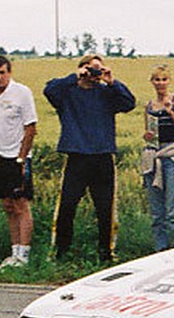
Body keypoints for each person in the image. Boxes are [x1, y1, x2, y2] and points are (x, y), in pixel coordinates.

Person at [44, 53, 136, 263]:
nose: (95, 73)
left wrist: (112, 82)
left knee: (105, 208)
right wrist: (75, 77)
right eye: (91, 68)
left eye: (98, 69)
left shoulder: (106, 93)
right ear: (82, 68)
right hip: (77, 156)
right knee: (67, 205)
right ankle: (60, 251)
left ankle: (106, 252)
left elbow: (129, 103)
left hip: (103, 156)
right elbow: (49, 90)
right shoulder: (67, 93)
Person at [0, 55, 38, 268]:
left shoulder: (22, 93)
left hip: (16, 156)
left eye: (2, 73)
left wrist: (22, 157)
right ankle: (13, 253)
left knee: (21, 204)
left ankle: (24, 255)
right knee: (7, 205)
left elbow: (30, 127)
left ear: (9, 72)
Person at [139, 64, 174, 250]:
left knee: (173, 211)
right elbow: (149, 133)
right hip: (153, 156)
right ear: (152, 82)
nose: (160, 83)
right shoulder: (149, 106)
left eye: (164, 79)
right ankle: (160, 248)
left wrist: (171, 112)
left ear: (169, 81)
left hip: (172, 155)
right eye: (157, 79)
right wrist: (147, 136)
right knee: (157, 212)